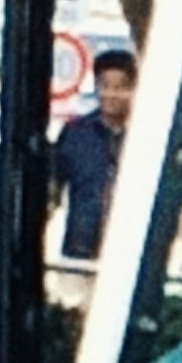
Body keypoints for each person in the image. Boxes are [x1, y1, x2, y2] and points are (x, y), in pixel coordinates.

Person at [47, 44, 135, 265]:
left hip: (130, 255)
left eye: (121, 87)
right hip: (80, 249)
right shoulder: (76, 132)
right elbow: (53, 188)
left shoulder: (144, 137)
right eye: (104, 86)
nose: (112, 95)